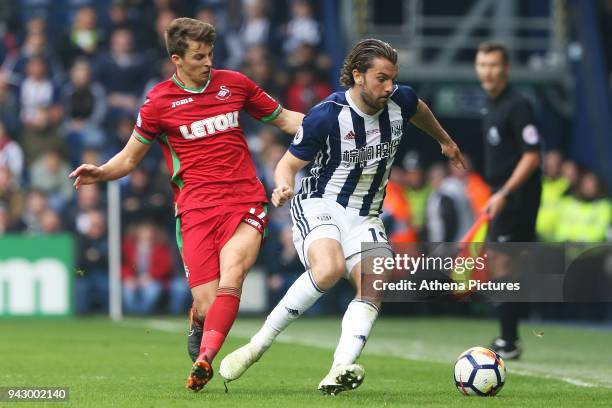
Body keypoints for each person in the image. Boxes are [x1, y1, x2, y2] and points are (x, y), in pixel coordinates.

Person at [69, 17, 303, 392]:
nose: (208, 62)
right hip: (195, 210)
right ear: (176, 59)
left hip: (245, 200)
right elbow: (130, 158)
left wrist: (333, 126)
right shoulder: (159, 102)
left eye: (210, 54)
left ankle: (205, 359)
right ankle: (198, 319)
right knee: (209, 305)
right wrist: (101, 172)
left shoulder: (236, 84)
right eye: (199, 56)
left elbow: (287, 119)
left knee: (234, 275)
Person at [219, 38, 465, 394]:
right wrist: (282, 186)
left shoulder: (401, 99)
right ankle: (257, 346)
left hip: (365, 214)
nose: (389, 87)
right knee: (329, 268)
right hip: (321, 203)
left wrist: (445, 140)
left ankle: (339, 368)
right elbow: (287, 164)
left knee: (375, 282)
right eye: (381, 78)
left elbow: (420, 109)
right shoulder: (328, 114)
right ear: (357, 76)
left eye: (393, 78)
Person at [474, 42, 542, 359]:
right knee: (504, 262)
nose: (488, 71)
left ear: (506, 68)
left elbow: (531, 157)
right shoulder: (491, 104)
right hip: (501, 192)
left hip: (516, 195)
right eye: (483, 64)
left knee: (503, 262)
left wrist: (503, 193)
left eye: (494, 64)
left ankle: (509, 339)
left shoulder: (517, 104)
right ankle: (509, 336)